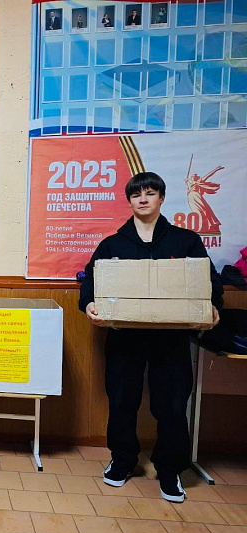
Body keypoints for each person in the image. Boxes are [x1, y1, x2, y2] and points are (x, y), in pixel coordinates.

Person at [79, 172, 223, 504]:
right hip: (124, 337)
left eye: (150, 193)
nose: (143, 199)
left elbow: (209, 280)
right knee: (121, 402)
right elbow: (90, 281)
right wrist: (88, 304)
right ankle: (122, 460)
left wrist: (214, 306)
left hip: (170, 339)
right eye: (136, 195)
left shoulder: (185, 241)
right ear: (129, 201)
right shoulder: (113, 244)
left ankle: (170, 470)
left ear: (161, 198)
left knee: (171, 406)